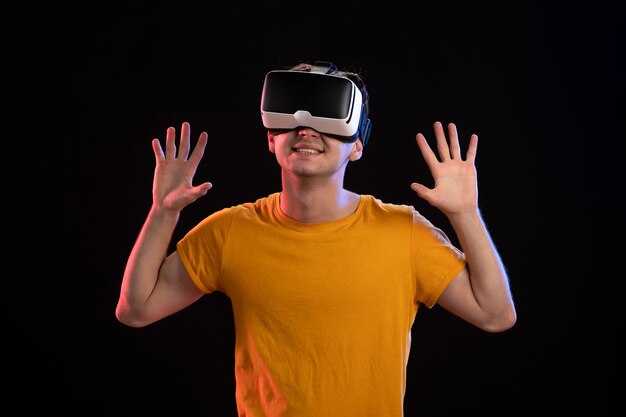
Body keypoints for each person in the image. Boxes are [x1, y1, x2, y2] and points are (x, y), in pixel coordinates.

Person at [116, 61, 516, 416]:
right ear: (271, 138)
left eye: (326, 114)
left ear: (357, 145)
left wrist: (465, 214)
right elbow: (137, 309)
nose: (304, 126)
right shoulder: (230, 231)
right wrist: (163, 212)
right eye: (289, 114)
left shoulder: (403, 233)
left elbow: (496, 314)